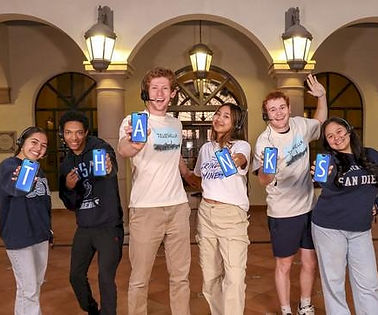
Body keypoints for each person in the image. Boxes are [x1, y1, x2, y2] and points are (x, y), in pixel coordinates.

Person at [118, 66, 191, 315]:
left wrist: (191, 176)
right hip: (146, 208)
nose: (160, 93)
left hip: (178, 207)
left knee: (181, 276)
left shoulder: (176, 124)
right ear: (146, 92)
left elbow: (175, 158)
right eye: (154, 88)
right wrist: (135, 144)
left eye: (165, 88)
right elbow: (123, 149)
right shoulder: (133, 120)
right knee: (140, 278)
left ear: (172, 93)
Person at [252, 74, 327, 315]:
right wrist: (267, 171)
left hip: (308, 206)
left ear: (288, 107)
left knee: (309, 261)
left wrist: (322, 97)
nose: (278, 113)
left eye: (281, 107)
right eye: (272, 110)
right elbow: (263, 181)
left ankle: (305, 304)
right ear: (267, 114)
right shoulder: (265, 142)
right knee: (284, 264)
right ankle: (285, 309)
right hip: (283, 212)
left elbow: (320, 120)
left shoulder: (299, 125)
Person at [187, 103, 251, 315]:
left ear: (235, 123)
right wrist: (177, 166)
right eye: (217, 114)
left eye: (226, 116)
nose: (219, 119)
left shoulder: (241, 145)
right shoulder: (205, 149)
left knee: (234, 276)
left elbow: (240, 160)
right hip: (206, 213)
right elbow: (198, 180)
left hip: (232, 216)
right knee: (210, 276)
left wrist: (234, 158)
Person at [59, 111, 124, 315]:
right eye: (68, 133)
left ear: (86, 132)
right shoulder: (67, 163)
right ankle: (92, 310)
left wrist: (108, 166)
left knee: (105, 278)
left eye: (79, 132)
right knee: (75, 276)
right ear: (62, 134)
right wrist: (69, 187)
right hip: (85, 227)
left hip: (108, 226)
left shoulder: (100, 147)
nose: (74, 138)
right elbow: (70, 204)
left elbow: (111, 167)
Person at [311, 117, 378, 314]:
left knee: (369, 283)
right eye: (330, 136)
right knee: (334, 283)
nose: (336, 138)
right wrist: (324, 177)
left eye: (339, 131)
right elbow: (327, 185)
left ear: (349, 131)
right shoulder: (328, 160)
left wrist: (375, 203)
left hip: (361, 230)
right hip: (329, 228)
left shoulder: (371, 155)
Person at [0, 126, 52, 315]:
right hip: (19, 237)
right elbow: (17, 190)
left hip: (40, 236)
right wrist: (25, 174)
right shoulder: (9, 166)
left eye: (44, 145)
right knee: (28, 289)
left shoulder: (39, 171)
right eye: (34, 142)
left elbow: (44, 205)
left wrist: (49, 232)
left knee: (33, 287)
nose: (39, 148)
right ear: (22, 143)